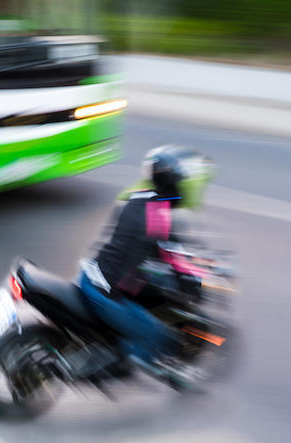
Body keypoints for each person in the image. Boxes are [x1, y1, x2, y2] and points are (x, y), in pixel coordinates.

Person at [78, 144, 215, 388]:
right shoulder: (160, 218)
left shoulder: (136, 199)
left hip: (91, 274)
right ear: (177, 183)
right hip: (105, 293)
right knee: (155, 334)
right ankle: (123, 366)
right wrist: (195, 287)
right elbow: (176, 259)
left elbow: (139, 245)